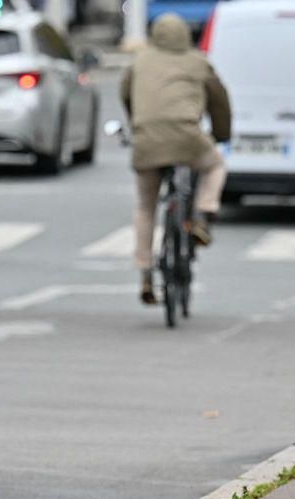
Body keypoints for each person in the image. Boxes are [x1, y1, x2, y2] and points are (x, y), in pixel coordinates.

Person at [120, 13, 231, 305]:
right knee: (215, 165)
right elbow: (219, 101)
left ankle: (145, 271)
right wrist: (221, 133)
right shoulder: (197, 62)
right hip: (187, 138)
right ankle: (203, 214)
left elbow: (125, 94)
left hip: (147, 141)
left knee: (145, 207)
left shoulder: (140, 62)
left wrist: (138, 124)